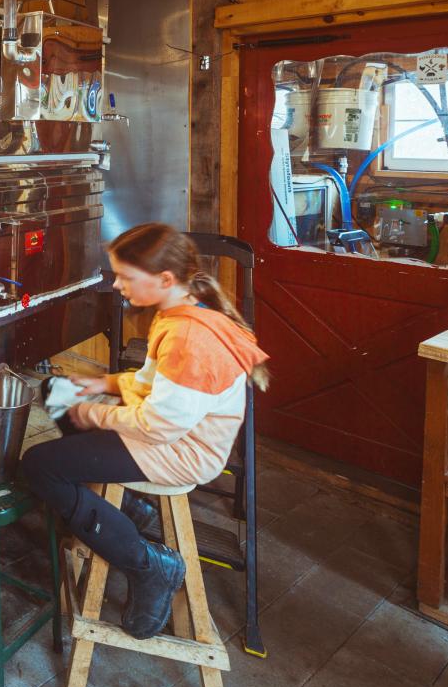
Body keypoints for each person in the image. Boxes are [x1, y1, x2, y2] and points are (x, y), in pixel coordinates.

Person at [21, 223, 269, 640]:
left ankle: (149, 566)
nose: (117, 285)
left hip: (180, 449)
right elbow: (154, 381)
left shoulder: (189, 337)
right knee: (55, 389)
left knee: (40, 467)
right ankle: (129, 511)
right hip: (168, 431)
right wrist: (103, 384)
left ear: (165, 279)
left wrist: (93, 414)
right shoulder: (179, 311)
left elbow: (158, 425)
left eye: (125, 277)